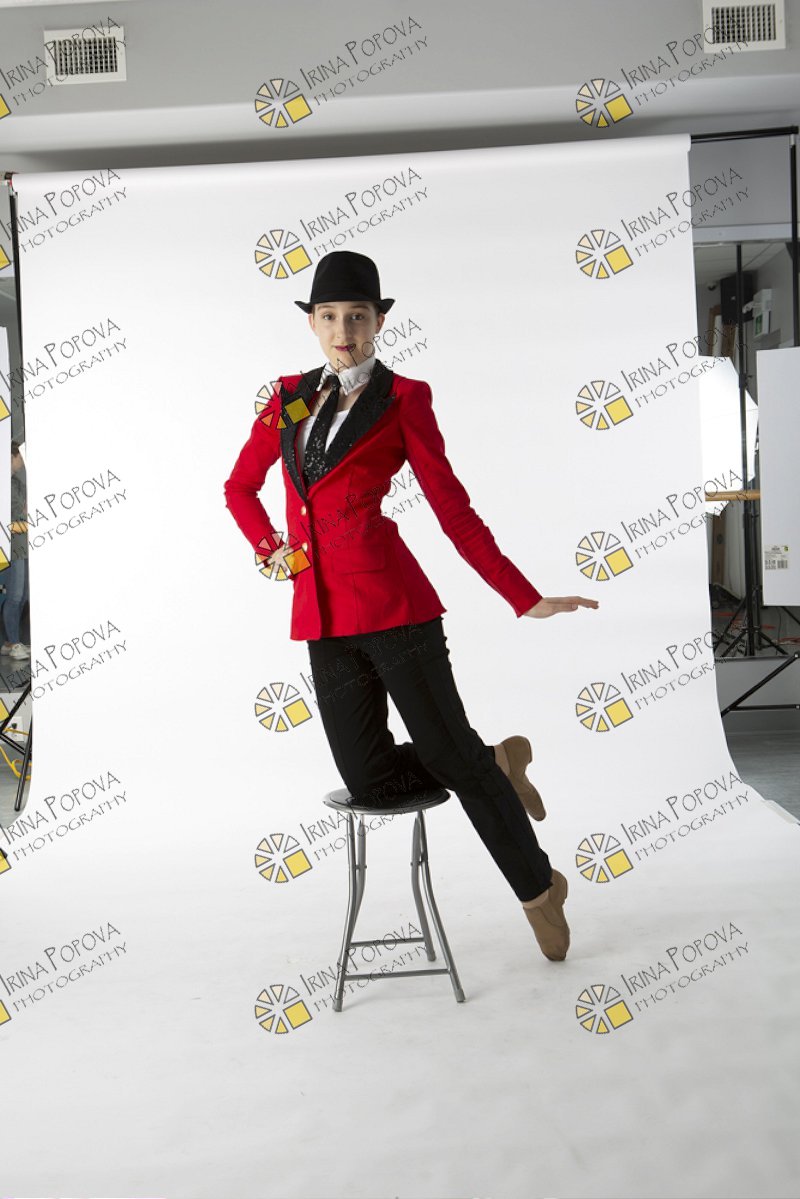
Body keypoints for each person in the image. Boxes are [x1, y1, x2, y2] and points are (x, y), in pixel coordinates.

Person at [224, 251, 599, 964]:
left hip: (396, 609)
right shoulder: (289, 398)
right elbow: (239, 487)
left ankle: (539, 888)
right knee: (369, 780)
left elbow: (453, 508)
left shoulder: (404, 399)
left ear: (379, 321)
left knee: (449, 757)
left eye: (357, 317)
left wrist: (522, 595)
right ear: (312, 324)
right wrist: (270, 548)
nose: (343, 332)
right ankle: (494, 760)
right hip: (322, 617)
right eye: (329, 317)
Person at [2, 441, 30, 661]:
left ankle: (12, 641)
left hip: (24, 545)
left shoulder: (16, 482)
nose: (22, 460)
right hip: (12, 548)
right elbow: (9, 519)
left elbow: (24, 510)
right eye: (19, 456)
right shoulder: (4, 485)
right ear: (12, 457)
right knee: (15, 595)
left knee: (24, 596)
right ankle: (12, 641)